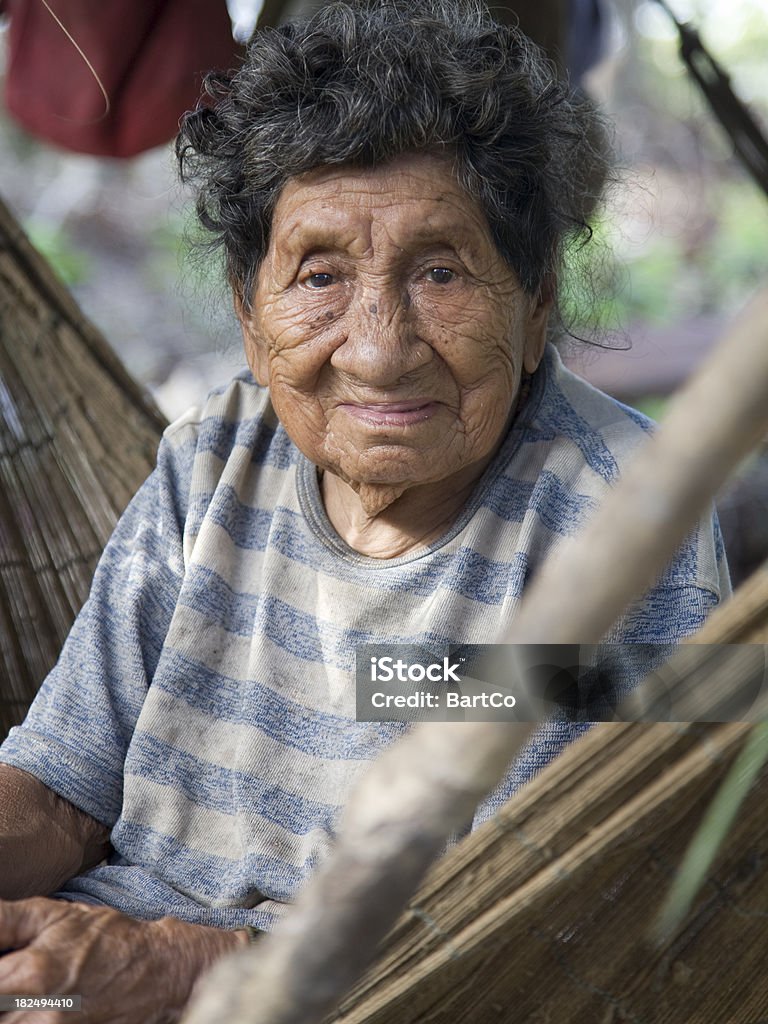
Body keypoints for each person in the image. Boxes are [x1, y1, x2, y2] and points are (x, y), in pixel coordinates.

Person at [0, 1, 729, 1019]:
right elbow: (61, 790)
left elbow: (531, 928)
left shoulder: (616, 531)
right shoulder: (212, 461)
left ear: (538, 306)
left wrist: (175, 966)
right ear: (252, 320)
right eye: (320, 276)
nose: (378, 347)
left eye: (439, 271)